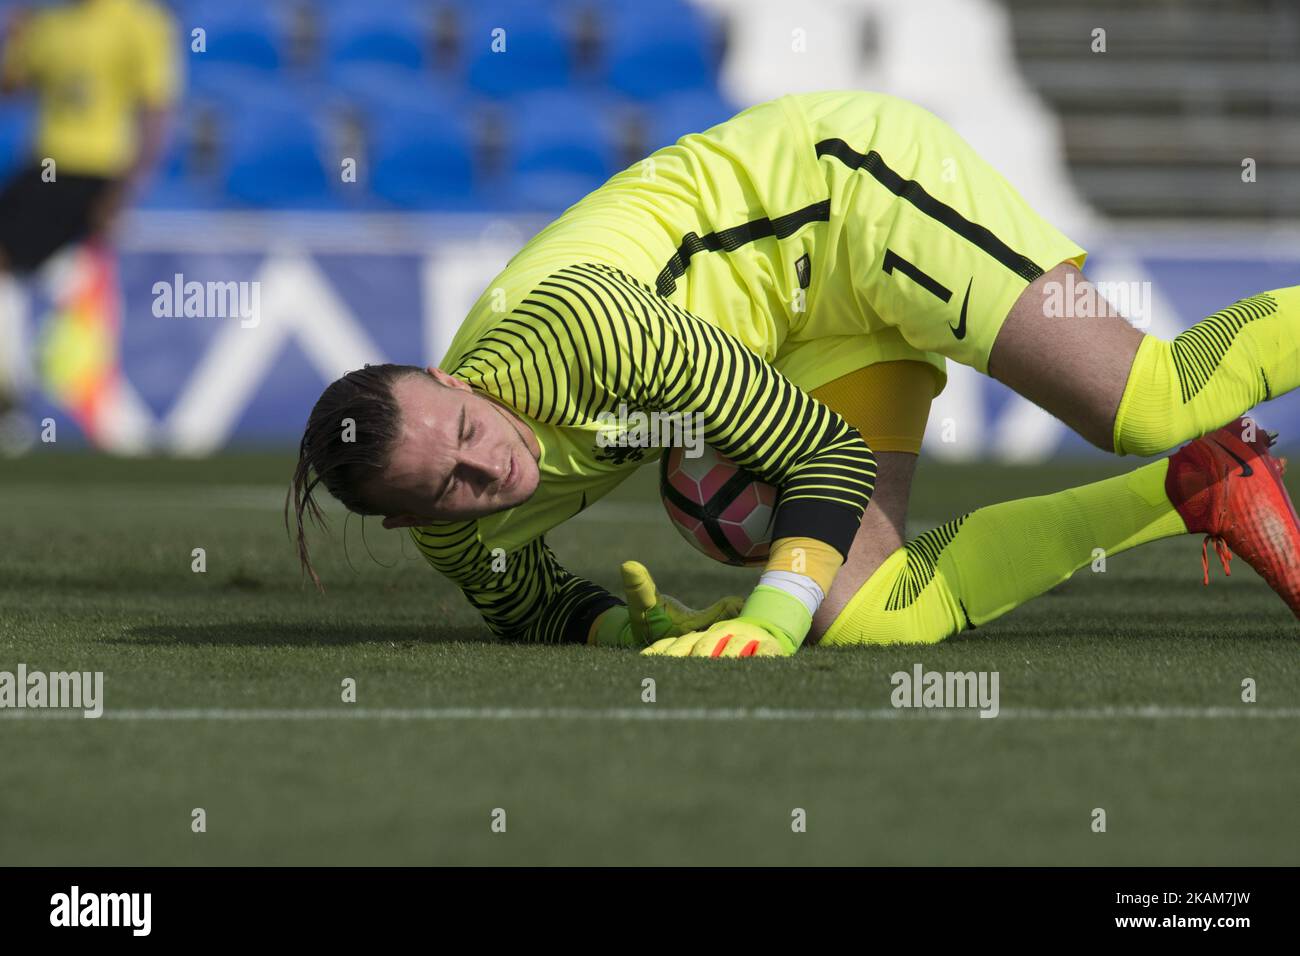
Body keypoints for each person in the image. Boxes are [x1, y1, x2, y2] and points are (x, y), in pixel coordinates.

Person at [289, 91, 1300, 656]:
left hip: (846, 197)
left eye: (466, 435)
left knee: (1147, 397)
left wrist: (767, 623)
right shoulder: (466, 540)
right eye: (448, 490)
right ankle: (1196, 487)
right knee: (866, 614)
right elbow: (537, 608)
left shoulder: (578, 330)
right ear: (412, 523)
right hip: (797, 328)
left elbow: (820, 451)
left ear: (452, 380)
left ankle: (1179, 439)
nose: (487, 473)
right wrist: (638, 631)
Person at [0, 0, 179, 445]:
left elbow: (156, 110)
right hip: (43, 168)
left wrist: (125, 189)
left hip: (92, 170)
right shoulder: (51, 21)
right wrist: (16, 41)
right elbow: (12, 86)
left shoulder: (140, 21)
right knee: (53, 278)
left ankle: (10, 401)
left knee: (11, 269)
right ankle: (37, 393)